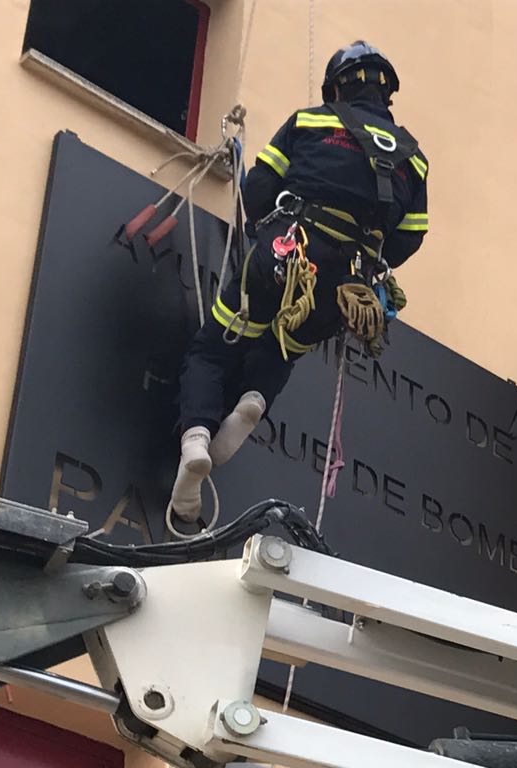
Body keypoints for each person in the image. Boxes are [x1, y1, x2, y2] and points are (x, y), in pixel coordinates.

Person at [169, 41, 430, 522]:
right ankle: (252, 401)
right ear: (386, 93)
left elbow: (258, 188)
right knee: (282, 349)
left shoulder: (311, 122)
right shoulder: (414, 160)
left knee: (212, 350)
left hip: (285, 252)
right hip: (343, 288)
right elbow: (407, 241)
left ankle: (196, 440)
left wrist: (260, 232)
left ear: (337, 86)